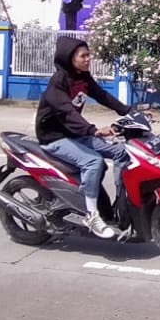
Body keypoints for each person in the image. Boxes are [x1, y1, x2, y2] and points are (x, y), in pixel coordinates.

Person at [36, 35, 132, 238]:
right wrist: (93, 130)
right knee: (93, 162)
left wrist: (129, 112)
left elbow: (102, 95)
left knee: (121, 151)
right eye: (83, 56)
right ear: (70, 58)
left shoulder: (83, 77)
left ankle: (122, 204)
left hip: (73, 133)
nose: (88, 59)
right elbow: (66, 112)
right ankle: (91, 215)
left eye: (89, 55)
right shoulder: (58, 82)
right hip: (54, 137)